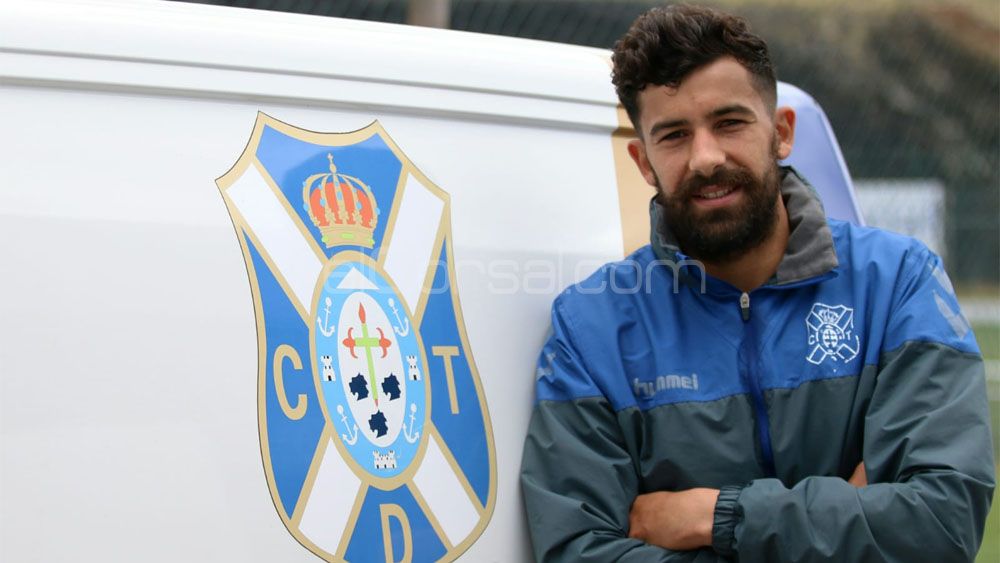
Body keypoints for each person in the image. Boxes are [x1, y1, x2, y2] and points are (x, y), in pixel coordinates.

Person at [519, 5, 995, 562]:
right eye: (673, 135)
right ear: (643, 162)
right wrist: (848, 512)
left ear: (782, 132)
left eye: (729, 122)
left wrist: (713, 516)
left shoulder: (896, 285)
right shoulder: (593, 327)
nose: (706, 158)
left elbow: (941, 522)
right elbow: (578, 550)